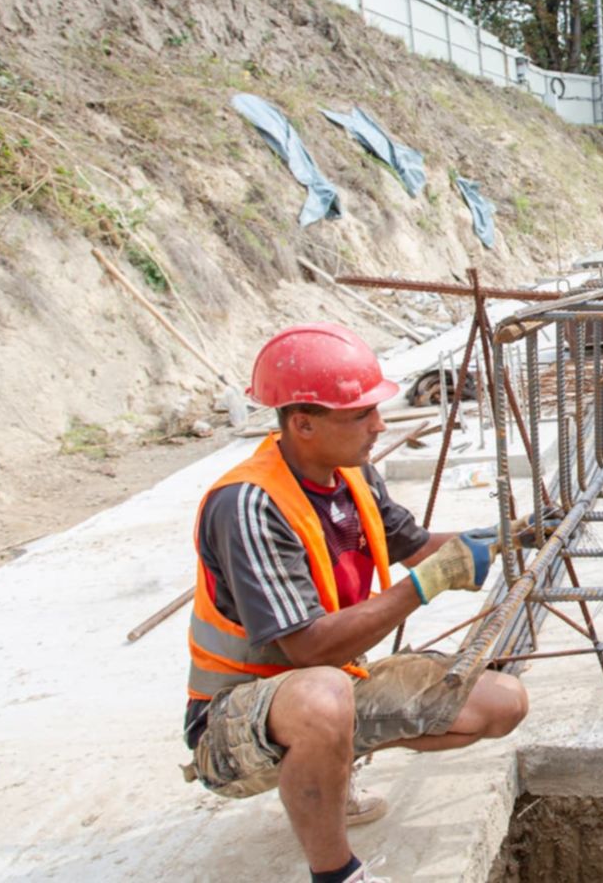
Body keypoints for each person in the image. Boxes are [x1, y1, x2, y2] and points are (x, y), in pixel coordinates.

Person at [181, 323, 530, 883]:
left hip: (334, 682)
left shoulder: (353, 476)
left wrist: (506, 537)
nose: (379, 424)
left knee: (501, 701)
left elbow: (414, 548)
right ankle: (337, 872)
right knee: (322, 696)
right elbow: (306, 649)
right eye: (360, 414)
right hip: (235, 716)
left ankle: (326, 769)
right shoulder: (247, 505)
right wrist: (426, 585)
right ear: (303, 424)